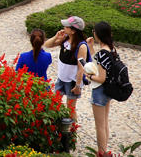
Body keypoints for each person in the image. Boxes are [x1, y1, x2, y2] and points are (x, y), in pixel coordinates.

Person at [43, 16, 91, 123]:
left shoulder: (81, 46)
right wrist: (56, 37)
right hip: (61, 78)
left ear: (73, 31)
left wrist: (78, 85)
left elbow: (81, 68)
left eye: (67, 26)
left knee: (71, 108)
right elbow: (47, 45)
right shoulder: (65, 39)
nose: (64, 28)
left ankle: (72, 132)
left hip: (73, 81)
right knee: (54, 103)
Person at [83, 21, 119, 157]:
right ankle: (105, 151)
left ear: (97, 34)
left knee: (99, 126)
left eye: (94, 31)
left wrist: (89, 77)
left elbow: (101, 77)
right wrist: (91, 47)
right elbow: (98, 64)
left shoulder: (103, 53)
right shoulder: (112, 50)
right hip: (109, 90)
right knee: (104, 122)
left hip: (100, 91)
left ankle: (102, 153)